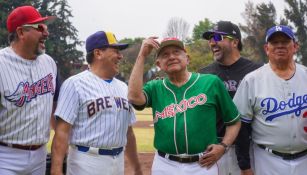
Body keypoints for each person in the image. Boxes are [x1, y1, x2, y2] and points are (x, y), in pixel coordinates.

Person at [128, 37, 241, 175]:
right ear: (159, 64)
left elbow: (234, 121)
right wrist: (142, 55)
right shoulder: (155, 87)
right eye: (165, 55)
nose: (171, 57)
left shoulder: (211, 82)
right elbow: (134, 97)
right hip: (164, 164)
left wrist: (223, 146)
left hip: (203, 164)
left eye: (176, 52)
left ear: (187, 58)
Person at [50, 31, 143, 175]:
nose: (120, 56)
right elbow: (62, 132)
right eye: (115, 51)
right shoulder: (75, 84)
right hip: (86, 161)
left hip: (117, 161)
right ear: (98, 53)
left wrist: (136, 167)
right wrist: (56, 170)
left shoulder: (124, 88)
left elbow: (128, 133)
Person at [233, 25, 307, 175]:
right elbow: (241, 127)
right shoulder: (252, 80)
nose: (280, 45)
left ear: (295, 46)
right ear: (267, 48)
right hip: (267, 160)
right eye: (274, 42)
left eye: (285, 41)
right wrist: (245, 166)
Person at [0, 5, 59, 175]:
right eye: (39, 27)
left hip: (40, 155)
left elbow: (54, 106)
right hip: (6, 156)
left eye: (45, 27)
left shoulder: (49, 63)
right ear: (21, 33)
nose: (46, 33)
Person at [199, 21, 262, 174]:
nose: (212, 42)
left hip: (250, 149)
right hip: (213, 149)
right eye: (210, 38)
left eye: (217, 37)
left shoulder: (257, 71)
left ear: (234, 42)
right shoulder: (203, 74)